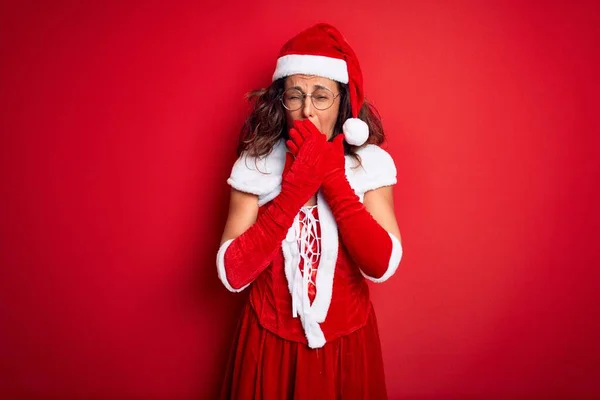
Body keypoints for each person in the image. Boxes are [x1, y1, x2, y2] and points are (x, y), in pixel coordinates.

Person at [216, 22, 403, 400]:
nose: (306, 111)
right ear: (280, 99)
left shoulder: (371, 166)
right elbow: (232, 274)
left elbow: (380, 265)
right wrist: (292, 191)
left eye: (321, 96)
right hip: (267, 347)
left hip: (345, 351)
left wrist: (332, 177)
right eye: (295, 95)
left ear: (342, 103)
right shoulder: (255, 165)